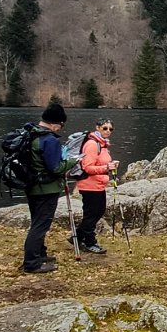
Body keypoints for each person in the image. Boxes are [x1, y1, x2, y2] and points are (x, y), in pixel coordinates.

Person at [22, 104, 77, 274]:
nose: (60, 128)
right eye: (61, 125)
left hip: (32, 186)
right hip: (46, 189)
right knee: (40, 225)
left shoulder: (31, 134)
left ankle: (40, 254)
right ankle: (32, 263)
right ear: (54, 123)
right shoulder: (49, 140)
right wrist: (73, 161)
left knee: (36, 222)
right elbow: (56, 168)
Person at [74, 119, 120, 255]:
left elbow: (101, 163)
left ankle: (77, 237)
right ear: (98, 128)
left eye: (110, 129)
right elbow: (87, 167)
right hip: (89, 185)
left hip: (99, 184)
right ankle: (90, 242)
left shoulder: (103, 144)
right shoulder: (92, 144)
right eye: (105, 128)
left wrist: (111, 165)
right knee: (91, 214)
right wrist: (106, 167)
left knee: (99, 211)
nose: (108, 131)